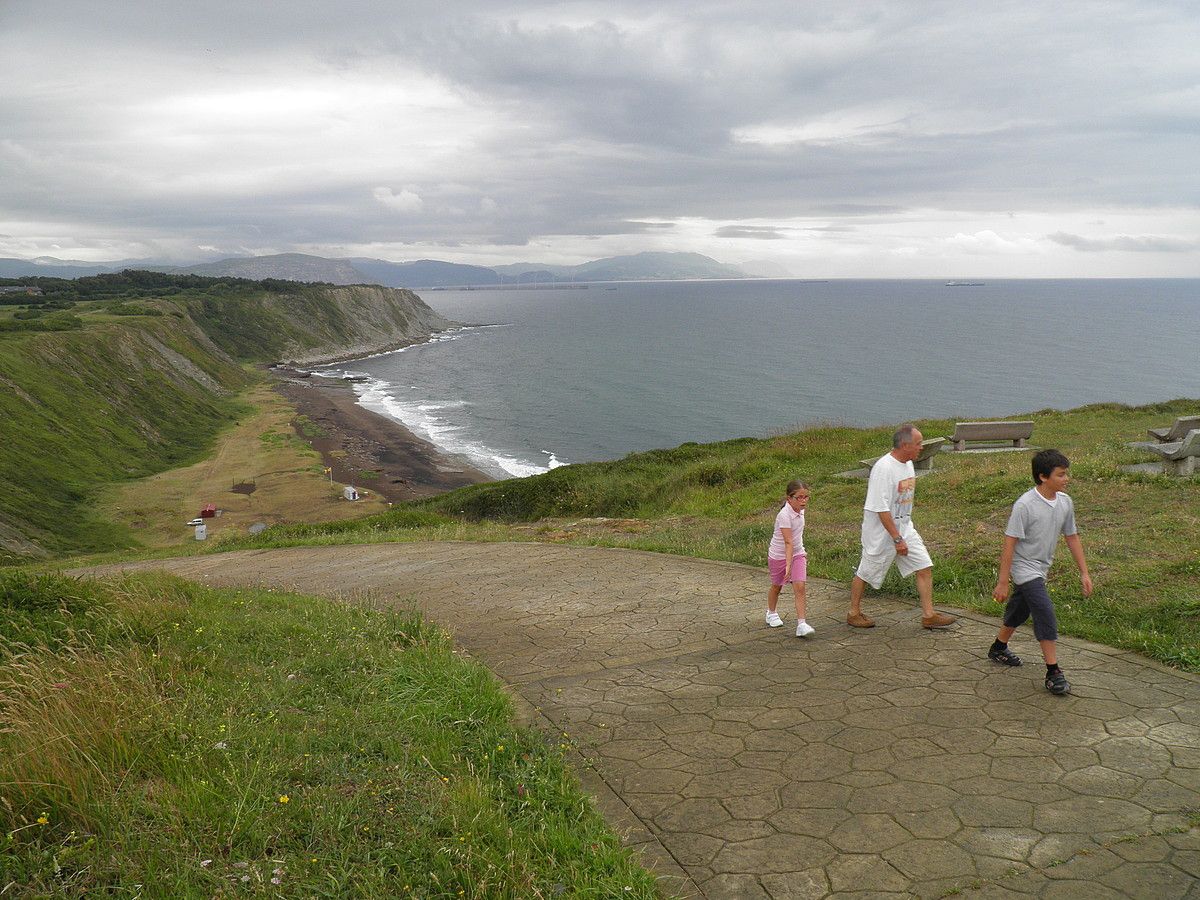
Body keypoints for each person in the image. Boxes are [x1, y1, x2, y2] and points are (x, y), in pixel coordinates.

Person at [987, 449, 1093, 695]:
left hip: (1042, 567)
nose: (1067, 479)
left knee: (1021, 607)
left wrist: (1084, 573)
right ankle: (1053, 671)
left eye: (1066, 474)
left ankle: (999, 647)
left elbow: (1072, 536)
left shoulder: (1065, 502)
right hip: (1024, 568)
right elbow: (1009, 542)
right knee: (1044, 611)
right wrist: (1003, 581)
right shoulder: (1025, 505)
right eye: (1061, 474)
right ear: (1043, 477)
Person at [847, 424, 957, 629]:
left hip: (905, 527)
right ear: (905, 445)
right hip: (881, 533)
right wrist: (896, 538)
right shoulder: (883, 468)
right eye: (918, 444)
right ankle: (853, 612)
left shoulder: (908, 464)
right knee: (866, 571)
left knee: (924, 566)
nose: (921, 447)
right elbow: (880, 508)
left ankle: (928, 615)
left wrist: (902, 534)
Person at [766, 480, 815, 637]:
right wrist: (788, 565)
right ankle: (771, 612)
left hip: (798, 553)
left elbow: (796, 537)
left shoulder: (801, 511)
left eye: (806, 497)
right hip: (779, 556)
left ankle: (801, 624)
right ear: (789, 498)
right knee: (776, 586)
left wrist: (800, 554)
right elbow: (788, 542)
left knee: (800, 587)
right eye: (799, 497)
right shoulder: (784, 515)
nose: (803, 501)